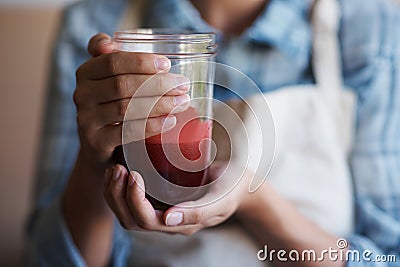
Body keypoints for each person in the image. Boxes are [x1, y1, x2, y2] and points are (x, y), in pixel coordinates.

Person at [27, 0, 400, 266]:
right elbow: (46, 259)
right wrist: (93, 165)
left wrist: (255, 201)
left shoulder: (369, 28)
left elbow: (384, 257)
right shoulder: (92, 23)